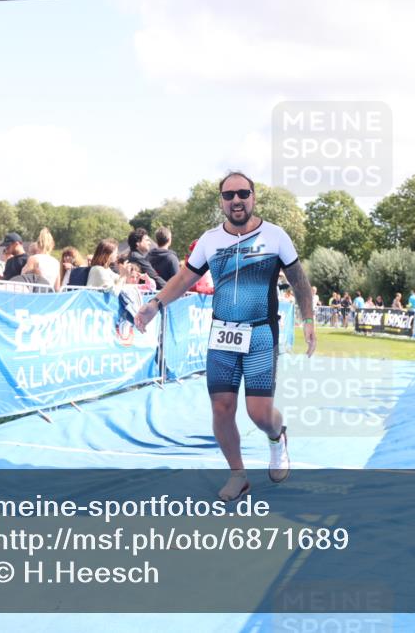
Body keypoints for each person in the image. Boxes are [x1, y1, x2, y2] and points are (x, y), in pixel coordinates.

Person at [134, 171, 315, 501]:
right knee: (221, 407)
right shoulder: (209, 240)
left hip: (261, 333)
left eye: (243, 194)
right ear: (221, 201)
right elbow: (185, 279)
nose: (236, 200)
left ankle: (277, 438)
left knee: (259, 414)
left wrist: (309, 319)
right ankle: (238, 475)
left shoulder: (275, 237)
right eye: (229, 195)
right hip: (222, 336)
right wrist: (155, 304)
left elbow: (299, 281)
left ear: (253, 197)